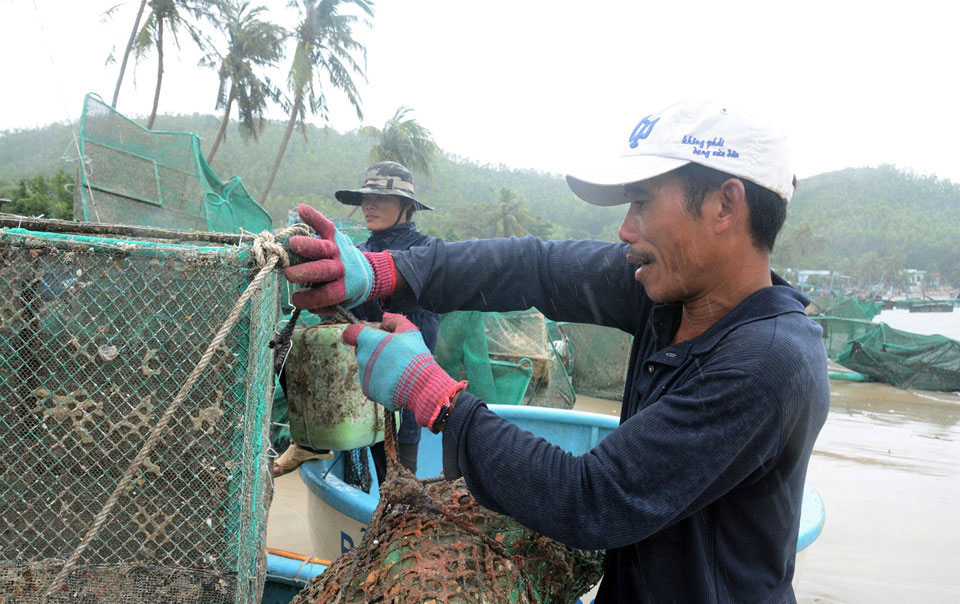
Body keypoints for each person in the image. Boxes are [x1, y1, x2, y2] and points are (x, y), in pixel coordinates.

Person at [284, 100, 830, 602]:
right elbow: (535, 267)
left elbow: (591, 499)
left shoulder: (767, 363)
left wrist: (438, 400)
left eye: (641, 202)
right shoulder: (671, 294)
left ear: (724, 205)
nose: (625, 229)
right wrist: (390, 270)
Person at [273, 161, 441, 481]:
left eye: (382, 197)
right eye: (365, 197)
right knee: (287, 337)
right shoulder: (356, 252)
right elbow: (339, 313)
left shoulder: (426, 255)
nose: (369, 204)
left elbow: (424, 338)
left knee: (399, 491)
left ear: (407, 206)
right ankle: (311, 441)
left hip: (399, 390)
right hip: (355, 390)